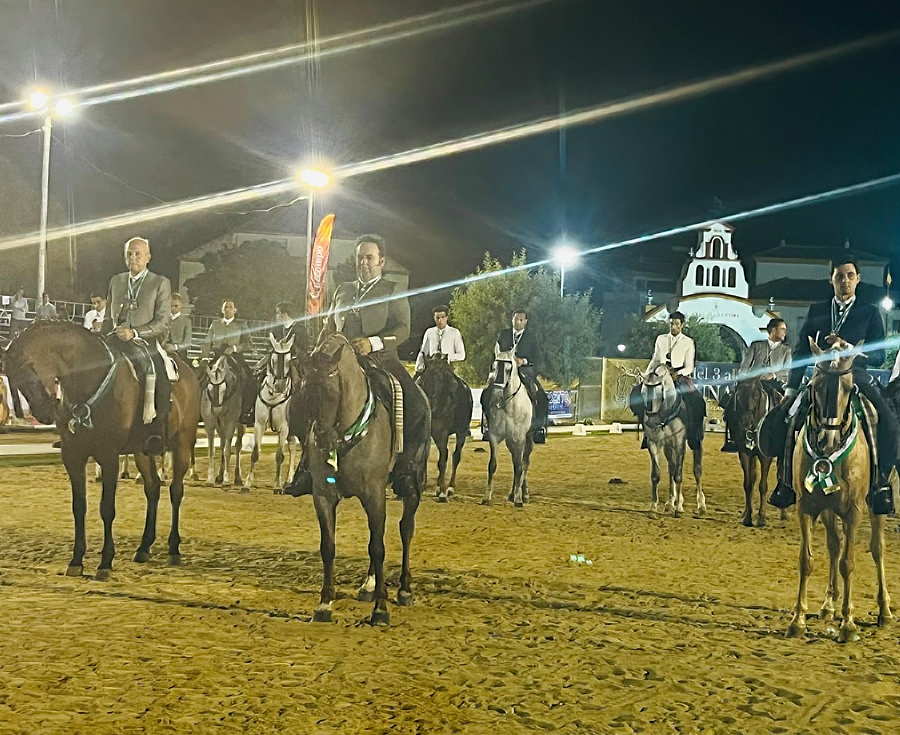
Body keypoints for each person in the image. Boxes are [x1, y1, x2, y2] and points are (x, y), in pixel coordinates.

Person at [284, 233, 429, 497]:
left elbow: (404, 328)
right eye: (360, 258)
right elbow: (330, 327)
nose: (364, 263)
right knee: (306, 396)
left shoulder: (392, 289)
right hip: (338, 362)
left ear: (381, 261)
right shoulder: (344, 289)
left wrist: (372, 342)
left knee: (416, 405)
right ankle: (307, 466)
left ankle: (405, 470)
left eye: (369, 258)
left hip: (380, 359)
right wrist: (318, 353)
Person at [767, 252, 897, 515]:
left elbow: (880, 355)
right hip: (820, 377)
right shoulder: (817, 310)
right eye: (840, 277)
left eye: (850, 276)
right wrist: (791, 388)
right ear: (832, 280)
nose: (845, 281)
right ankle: (785, 482)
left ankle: (880, 483)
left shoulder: (869, 313)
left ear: (858, 279)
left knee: (888, 421)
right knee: (787, 416)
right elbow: (802, 352)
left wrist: (850, 348)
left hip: (855, 377)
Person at [102, 236, 172, 456]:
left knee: (159, 371)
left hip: (145, 340)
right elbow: (107, 317)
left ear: (148, 258)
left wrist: (135, 332)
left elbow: (162, 322)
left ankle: (155, 430)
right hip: (115, 337)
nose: (133, 258)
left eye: (138, 254)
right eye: (129, 254)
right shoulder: (116, 281)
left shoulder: (160, 283)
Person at [720, 318, 791, 452]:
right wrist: (748, 377)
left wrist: (773, 375)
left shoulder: (786, 350)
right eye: (783, 329)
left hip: (773, 384)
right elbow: (744, 366)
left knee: (786, 408)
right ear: (773, 330)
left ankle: (782, 440)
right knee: (731, 400)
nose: (785, 333)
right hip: (752, 382)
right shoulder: (756, 346)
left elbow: (787, 371)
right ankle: (732, 439)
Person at [636, 311, 706, 449]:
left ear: (682, 325)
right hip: (660, 374)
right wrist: (647, 373)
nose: (673, 327)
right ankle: (647, 432)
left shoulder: (688, 342)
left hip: (679, 376)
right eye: (671, 324)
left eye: (676, 324)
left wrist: (678, 373)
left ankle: (694, 435)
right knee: (640, 394)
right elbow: (655, 359)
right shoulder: (661, 339)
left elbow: (689, 366)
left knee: (698, 401)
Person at [480, 309, 549, 444]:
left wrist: (523, 361)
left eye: (521, 320)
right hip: (503, 371)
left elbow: (538, 357)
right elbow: (494, 354)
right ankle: (489, 426)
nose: (518, 322)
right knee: (487, 394)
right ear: (512, 319)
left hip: (524, 371)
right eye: (516, 319)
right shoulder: (503, 334)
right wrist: (491, 373)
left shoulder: (532, 337)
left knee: (540, 396)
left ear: (526, 322)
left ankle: (538, 428)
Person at [201, 299, 255, 425]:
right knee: (201, 377)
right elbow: (207, 342)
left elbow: (249, 344)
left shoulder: (242, 324)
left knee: (250, 379)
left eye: (230, 307)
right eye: (225, 307)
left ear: (235, 310)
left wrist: (235, 348)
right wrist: (204, 358)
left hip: (235, 356)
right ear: (222, 310)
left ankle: (246, 411)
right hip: (217, 355)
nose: (227, 310)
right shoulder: (215, 324)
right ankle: (201, 410)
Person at [414, 304, 466, 378]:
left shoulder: (454, 332)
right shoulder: (429, 332)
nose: (440, 320)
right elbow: (423, 352)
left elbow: (462, 355)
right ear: (434, 318)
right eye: (437, 318)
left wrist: (448, 357)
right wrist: (418, 368)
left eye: (442, 317)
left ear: (447, 317)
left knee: (456, 386)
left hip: (447, 369)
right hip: (431, 369)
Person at [165, 293, 193, 361]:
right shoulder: (163, 320)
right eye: (171, 305)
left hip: (179, 354)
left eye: (176, 305)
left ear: (181, 305)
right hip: (163, 351)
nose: (173, 308)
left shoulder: (186, 321)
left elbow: (188, 343)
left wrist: (175, 347)